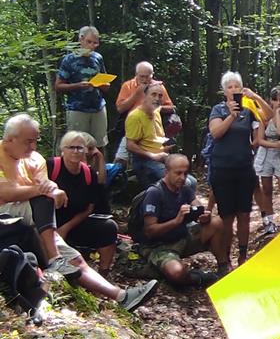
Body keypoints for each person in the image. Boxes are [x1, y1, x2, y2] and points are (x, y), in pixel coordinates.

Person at [0, 114, 157, 311]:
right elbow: (6, 193)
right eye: (28, 141)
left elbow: (47, 185)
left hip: (41, 221)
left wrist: (52, 190)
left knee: (74, 258)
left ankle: (121, 296)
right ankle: (55, 258)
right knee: (43, 199)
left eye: (35, 141)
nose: (33, 146)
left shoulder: (36, 159)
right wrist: (47, 191)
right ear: (10, 139)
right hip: (7, 215)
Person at [208, 71, 272, 270]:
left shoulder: (249, 109)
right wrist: (231, 116)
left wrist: (256, 97)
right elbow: (216, 133)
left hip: (244, 168)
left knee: (244, 214)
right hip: (222, 169)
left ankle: (242, 257)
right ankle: (225, 259)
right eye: (230, 87)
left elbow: (269, 117)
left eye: (237, 86)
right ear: (224, 91)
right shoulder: (218, 109)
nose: (234, 90)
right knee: (226, 216)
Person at [141, 154, 228, 287]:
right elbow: (150, 230)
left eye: (185, 173)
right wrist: (176, 221)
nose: (182, 177)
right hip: (159, 246)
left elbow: (196, 203)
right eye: (178, 173)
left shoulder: (184, 188)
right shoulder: (155, 193)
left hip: (182, 237)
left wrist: (202, 213)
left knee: (217, 223)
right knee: (176, 273)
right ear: (166, 172)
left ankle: (223, 268)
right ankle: (197, 278)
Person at [46, 131, 119, 277]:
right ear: (62, 150)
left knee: (109, 227)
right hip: (48, 224)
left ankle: (103, 274)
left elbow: (89, 208)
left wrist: (66, 228)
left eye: (79, 148)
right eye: (71, 147)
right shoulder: (51, 166)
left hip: (74, 222)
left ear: (85, 150)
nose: (75, 151)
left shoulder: (88, 173)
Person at [55, 25, 110, 147]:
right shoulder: (69, 60)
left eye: (95, 43)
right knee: (77, 145)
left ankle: (98, 166)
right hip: (77, 108)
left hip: (98, 107)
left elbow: (106, 85)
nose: (92, 46)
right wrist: (78, 86)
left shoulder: (98, 58)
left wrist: (101, 84)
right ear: (81, 40)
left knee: (99, 144)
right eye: (89, 42)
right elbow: (58, 86)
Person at [114, 61, 177, 165]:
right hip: (132, 124)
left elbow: (171, 107)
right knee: (121, 158)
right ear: (136, 75)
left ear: (152, 75)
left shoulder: (158, 87)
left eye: (147, 77)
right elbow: (120, 108)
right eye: (141, 76)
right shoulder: (128, 86)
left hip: (152, 125)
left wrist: (157, 107)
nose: (144, 80)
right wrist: (137, 94)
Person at [254, 87, 280, 235]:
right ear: (270, 100)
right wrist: (274, 144)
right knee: (267, 189)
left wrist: (277, 113)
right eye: (275, 99)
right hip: (266, 155)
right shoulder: (262, 115)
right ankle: (269, 221)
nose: (278, 103)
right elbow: (259, 140)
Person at [125, 81, 172, 187]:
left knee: (191, 181)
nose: (157, 98)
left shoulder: (156, 111)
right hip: (144, 161)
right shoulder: (135, 116)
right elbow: (130, 145)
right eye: (153, 94)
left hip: (161, 157)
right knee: (174, 181)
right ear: (145, 96)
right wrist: (153, 155)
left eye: (160, 96)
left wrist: (163, 149)